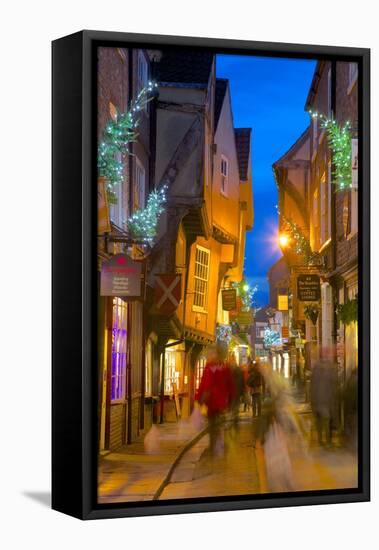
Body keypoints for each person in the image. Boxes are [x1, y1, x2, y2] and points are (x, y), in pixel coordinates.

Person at [196, 343, 235, 458]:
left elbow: (205, 385)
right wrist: (231, 401)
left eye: (211, 353)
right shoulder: (224, 368)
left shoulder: (210, 368)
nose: (209, 356)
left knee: (214, 425)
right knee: (217, 425)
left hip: (214, 403)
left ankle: (215, 446)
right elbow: (230, 386)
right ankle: (218, 445)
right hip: (219, 402)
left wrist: (200, 400)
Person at [310, 347, 338, 447]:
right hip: (325, 400)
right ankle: (326, 441)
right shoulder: (332, 367)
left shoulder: (317, 367)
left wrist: (312, 400)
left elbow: (312, 385)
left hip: (320, 400)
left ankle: (322, 441)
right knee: (325, 420)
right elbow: (334, 385)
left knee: (322, 421)